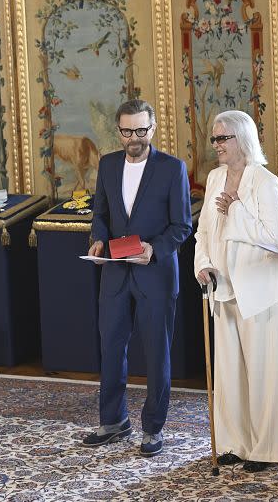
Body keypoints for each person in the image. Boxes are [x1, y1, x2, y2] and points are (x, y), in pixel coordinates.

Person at [82, 99, 192, 457]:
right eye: (128, 131)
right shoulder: (108, 164)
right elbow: (100, 213)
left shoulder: (172, 168)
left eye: (141, 130)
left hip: (155, 274)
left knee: (156, 352)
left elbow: (182, 226)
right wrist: (98, 238)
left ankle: (153, 428)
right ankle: (113, 421)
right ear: (119, 131)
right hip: (114, 272)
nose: (134, 138)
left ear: (153, 127)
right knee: (111, 348)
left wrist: (153, 248)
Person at [194, 110, 278, 472]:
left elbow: (272, 237)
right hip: (222, 286)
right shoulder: (215, 177)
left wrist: (236, 209)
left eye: (224, 138)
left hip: (260, 289)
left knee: (263, 373)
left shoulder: (264, 180)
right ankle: (233, 443)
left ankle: (268, 450)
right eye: (215, 139)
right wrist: (201, 264)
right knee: (230, 372)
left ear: (243, 139)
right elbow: (203, 230)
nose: (217, 145)